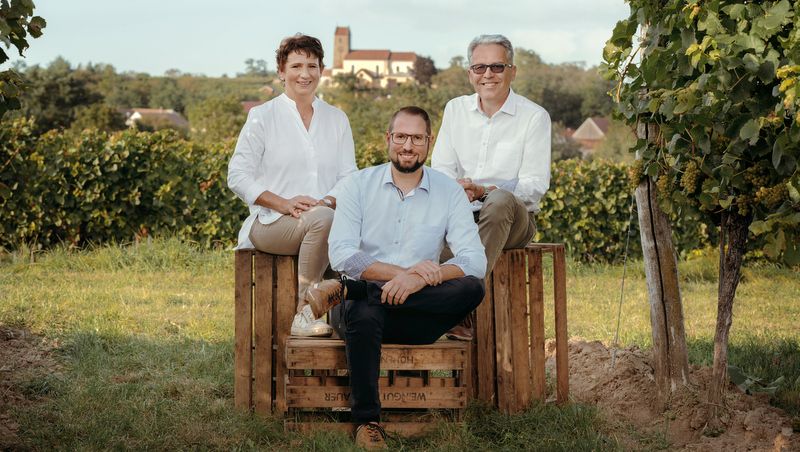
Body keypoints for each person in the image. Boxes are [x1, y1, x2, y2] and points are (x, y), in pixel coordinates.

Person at [307, 106, 486, 449]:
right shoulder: (358, 185)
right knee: (362, 310)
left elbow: (474, 259)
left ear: (429, 143)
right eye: (401, 136)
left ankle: (349, 290)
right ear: (388, 139)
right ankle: (367, 423)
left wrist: (417, 282)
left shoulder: (448, 191)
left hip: (418, 317)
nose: (408, 145)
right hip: (367, 319)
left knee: (472, 287)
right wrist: (406, 274)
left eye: (417, 138)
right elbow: (342, 253)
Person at [227, 34, 357, 337]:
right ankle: (305, 313)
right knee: (326, 222)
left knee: (335, 224)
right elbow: (238, 175)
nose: (305, 74)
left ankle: (357, 326)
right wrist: (283, 203)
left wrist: (324, 202)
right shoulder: (262, 117)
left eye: (312, 65)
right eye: (296, 65)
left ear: (321, 71)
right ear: (281, 72)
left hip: (325, 217)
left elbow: (350, 176)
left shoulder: (337, 119)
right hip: (271, 223)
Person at [431, 34, 551, 341]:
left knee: (498, 201)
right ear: (470, 73)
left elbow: (536, 186)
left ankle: (461, 306)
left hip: (513, 220)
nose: (488, 74)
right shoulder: (455, 110)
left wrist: (484, 190)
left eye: (497, 67)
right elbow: (441, 171)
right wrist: (458, 188)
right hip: (462, 218)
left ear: (512, 70)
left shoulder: (534, 117)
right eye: (479, 67)